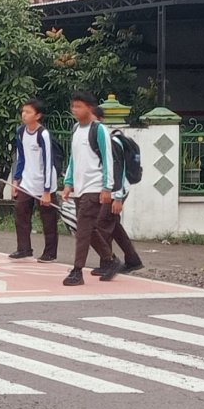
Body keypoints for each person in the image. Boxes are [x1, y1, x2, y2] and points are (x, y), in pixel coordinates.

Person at [60, 91, 124, 286]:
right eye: (73, 107)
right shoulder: (75, 129)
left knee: (83, 229)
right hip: (79, 187)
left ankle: (77, 270)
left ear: (89, 108)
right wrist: (68, 183)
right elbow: (73, 158)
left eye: (79, 106)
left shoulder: (99, 130)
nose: (75, 110)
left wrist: (107, 188)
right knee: (86, 227)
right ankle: (110, 260)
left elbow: (107, 159)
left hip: (94, 186)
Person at [90, 106, 144, 276]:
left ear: (100, 121)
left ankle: (107, 262)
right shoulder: (102, 141)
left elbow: (117, 170)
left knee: (101, 224)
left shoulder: (111, 142)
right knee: (113, 225)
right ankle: (133, 260)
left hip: (117, 189)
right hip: (114, 189)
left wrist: (118, 197)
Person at [10, 99, 59, 262]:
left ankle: (50, 253)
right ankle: (23, 248)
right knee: (21, 212)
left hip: (44, 183)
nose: (24, 114)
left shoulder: (43, 134)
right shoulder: (20, 132)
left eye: (28, 112)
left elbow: (48, 161)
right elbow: (21, 158)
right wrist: (16, 180)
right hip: (27, 182)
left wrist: (47, 191)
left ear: (38, 116)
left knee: (48, 219)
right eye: (23, 111)